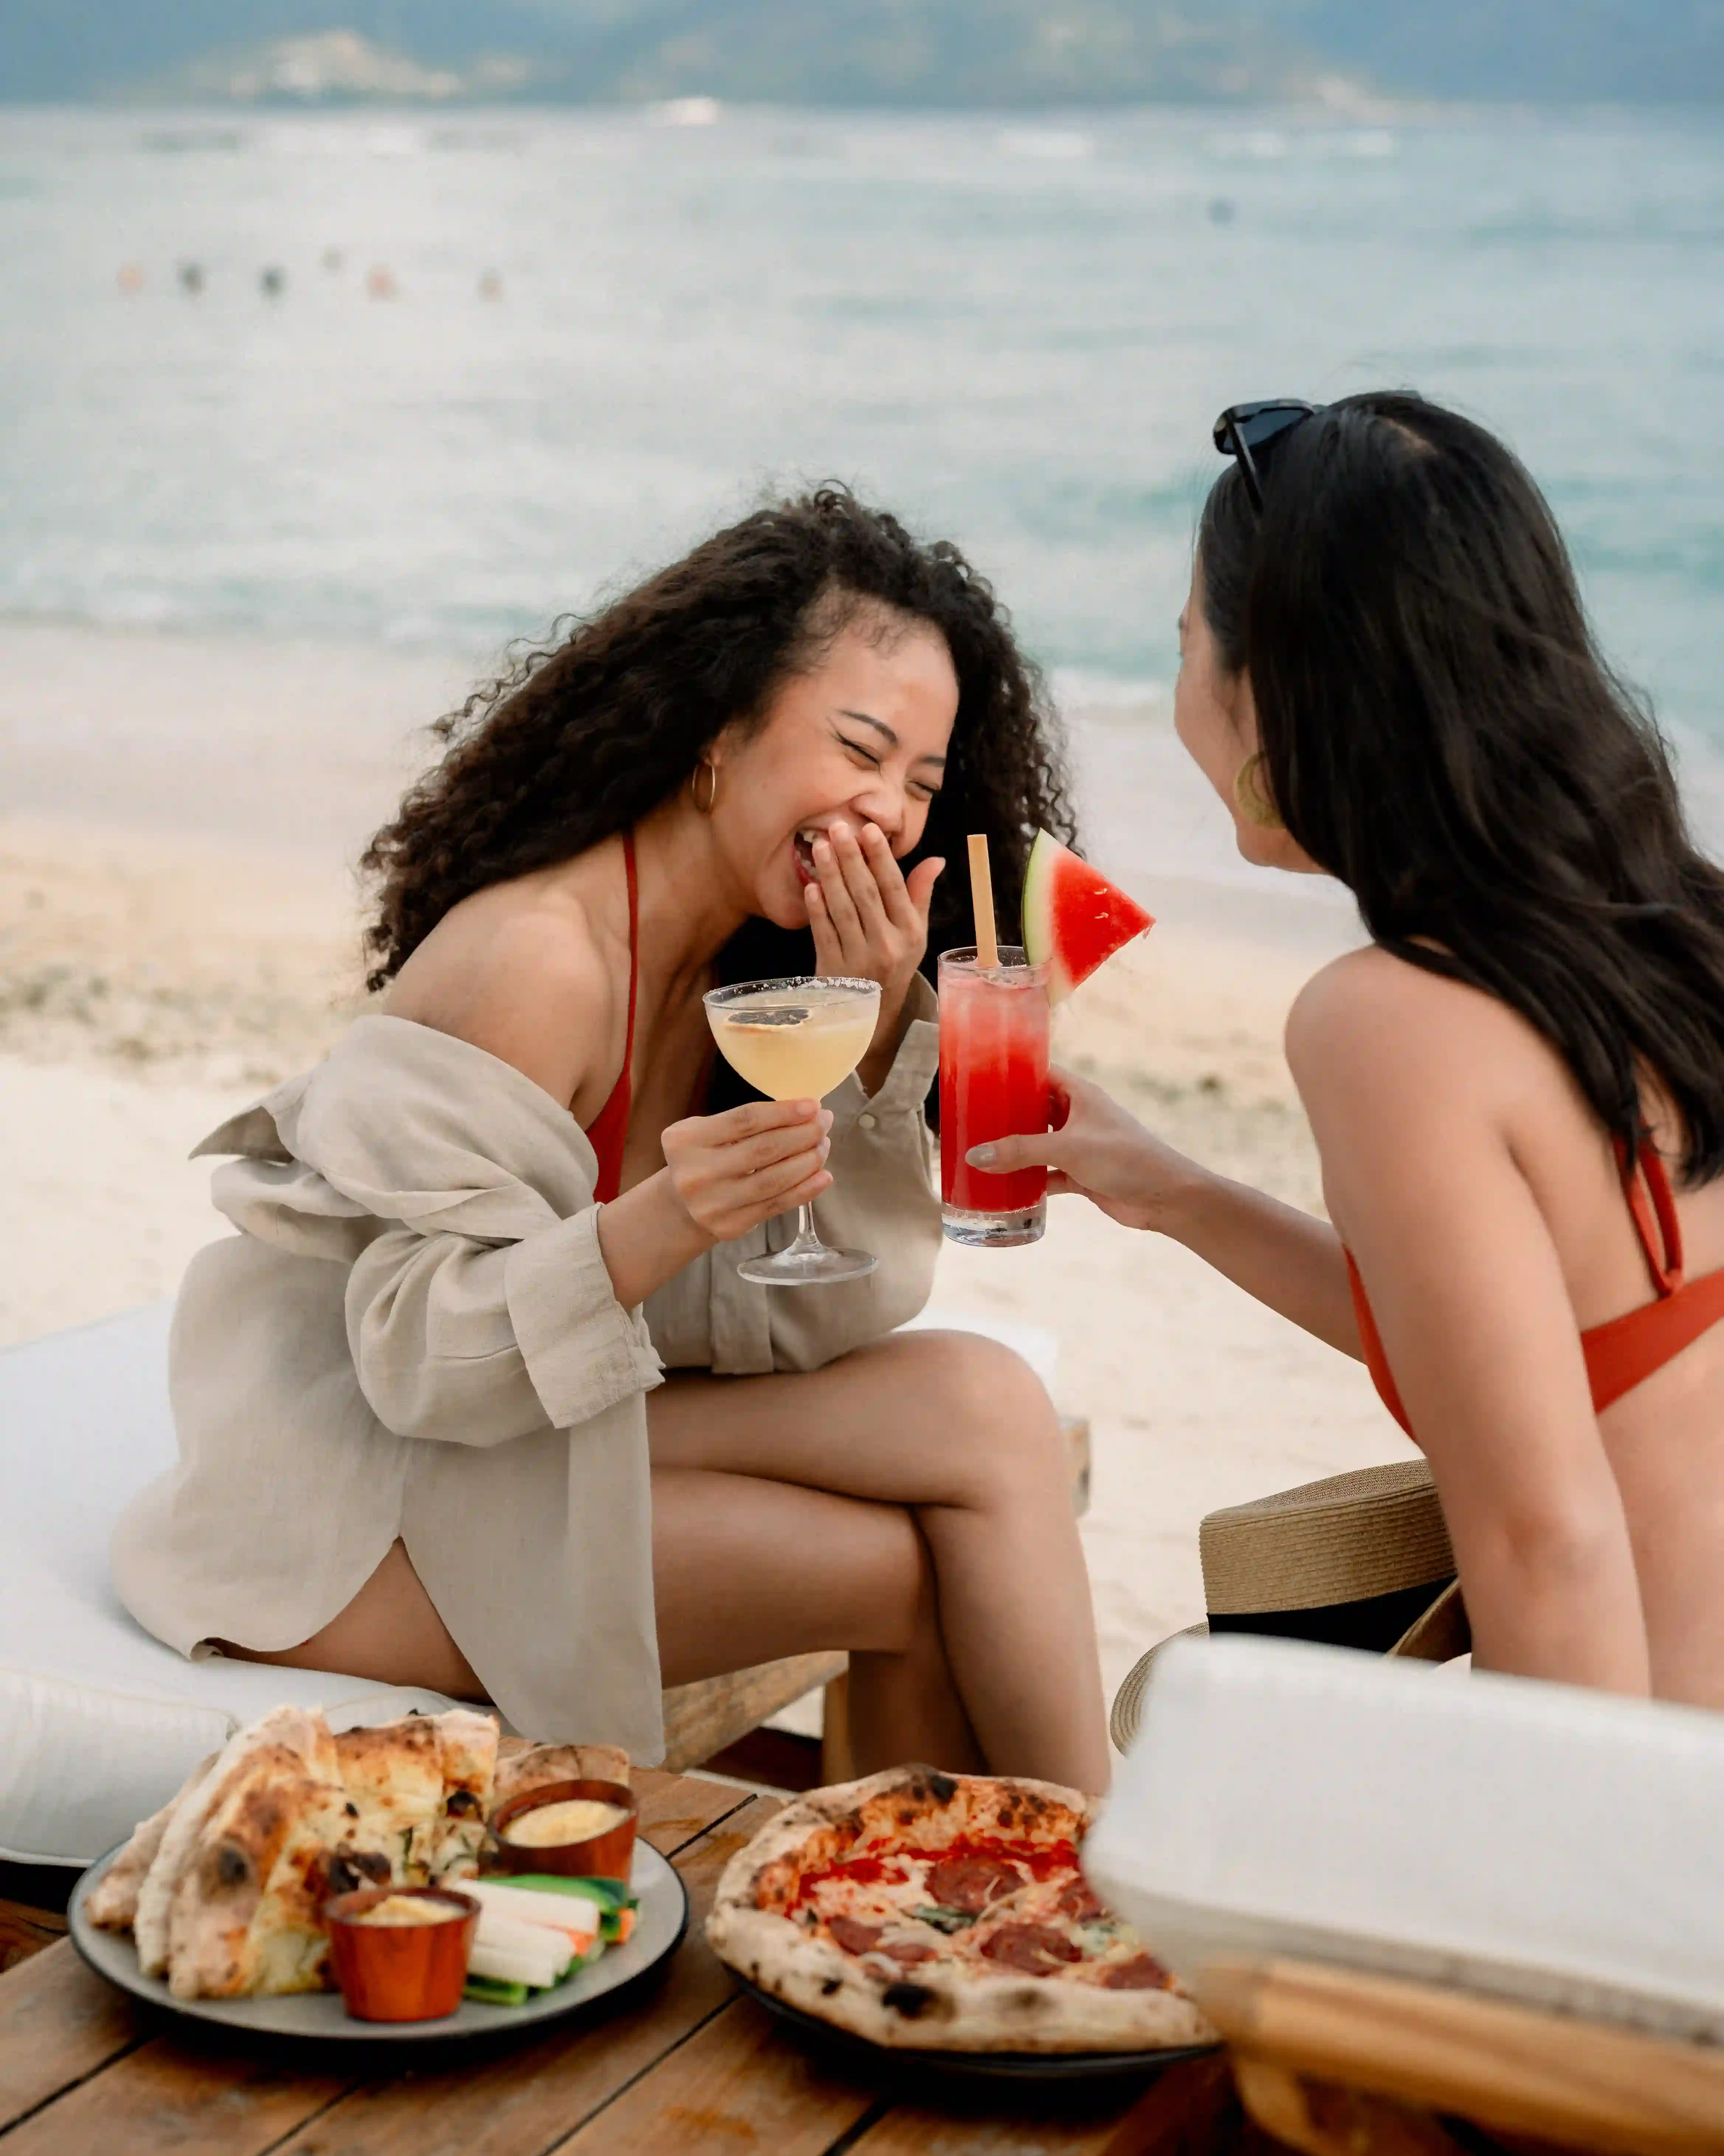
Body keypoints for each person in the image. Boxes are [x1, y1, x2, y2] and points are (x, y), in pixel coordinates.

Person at [114, 489, 1110, 1792]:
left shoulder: (755, 975)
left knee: (989, 1404)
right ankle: (1014, 1881)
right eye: (860, 749)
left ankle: (1070, 1861)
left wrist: (872, 1035)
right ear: (717, 730)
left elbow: (825, 1315)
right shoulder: (541, 959)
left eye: (922, 785)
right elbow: (417, 1365)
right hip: (355, 1499)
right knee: (909, 1572)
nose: (890, 811)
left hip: (526, 1432)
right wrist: (664, 1221)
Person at [974, 394, 1724, 1709]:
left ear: (1275, 691)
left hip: (1651, 1778)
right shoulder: (1670, 935)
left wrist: (1553, 1841)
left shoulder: (1388, 1020)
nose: (1181, 687)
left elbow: (1549, 1544)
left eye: (1187, 643)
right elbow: (1517, 1347)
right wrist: (1179, 1194)